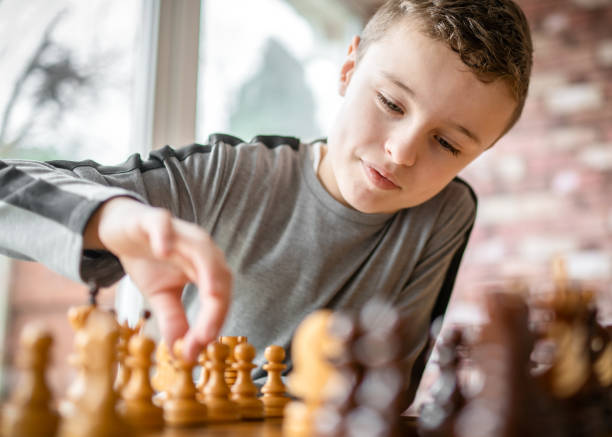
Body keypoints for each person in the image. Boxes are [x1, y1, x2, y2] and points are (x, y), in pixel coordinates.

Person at [0, 0, 532, 408]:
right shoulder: (225, 175)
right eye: (391, 102)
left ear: (478, 154)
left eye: (448, 144)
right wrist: (110, 216)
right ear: (348, 69)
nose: (401, 152)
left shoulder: (445, 215)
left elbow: (384, 394)